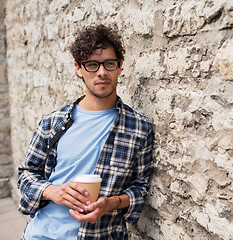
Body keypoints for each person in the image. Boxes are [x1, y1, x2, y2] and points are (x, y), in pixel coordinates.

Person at [17, 24, 154, 239]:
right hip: (42, 234)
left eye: (109, 63)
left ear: (119, 67)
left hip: (101, 234)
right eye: (92, 64)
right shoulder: (51, 123)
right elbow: (25, 174)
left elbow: (141, 186)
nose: (102, 72)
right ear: (78, 68)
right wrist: (53, 191)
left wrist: (112, 203)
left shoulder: (139, 127)